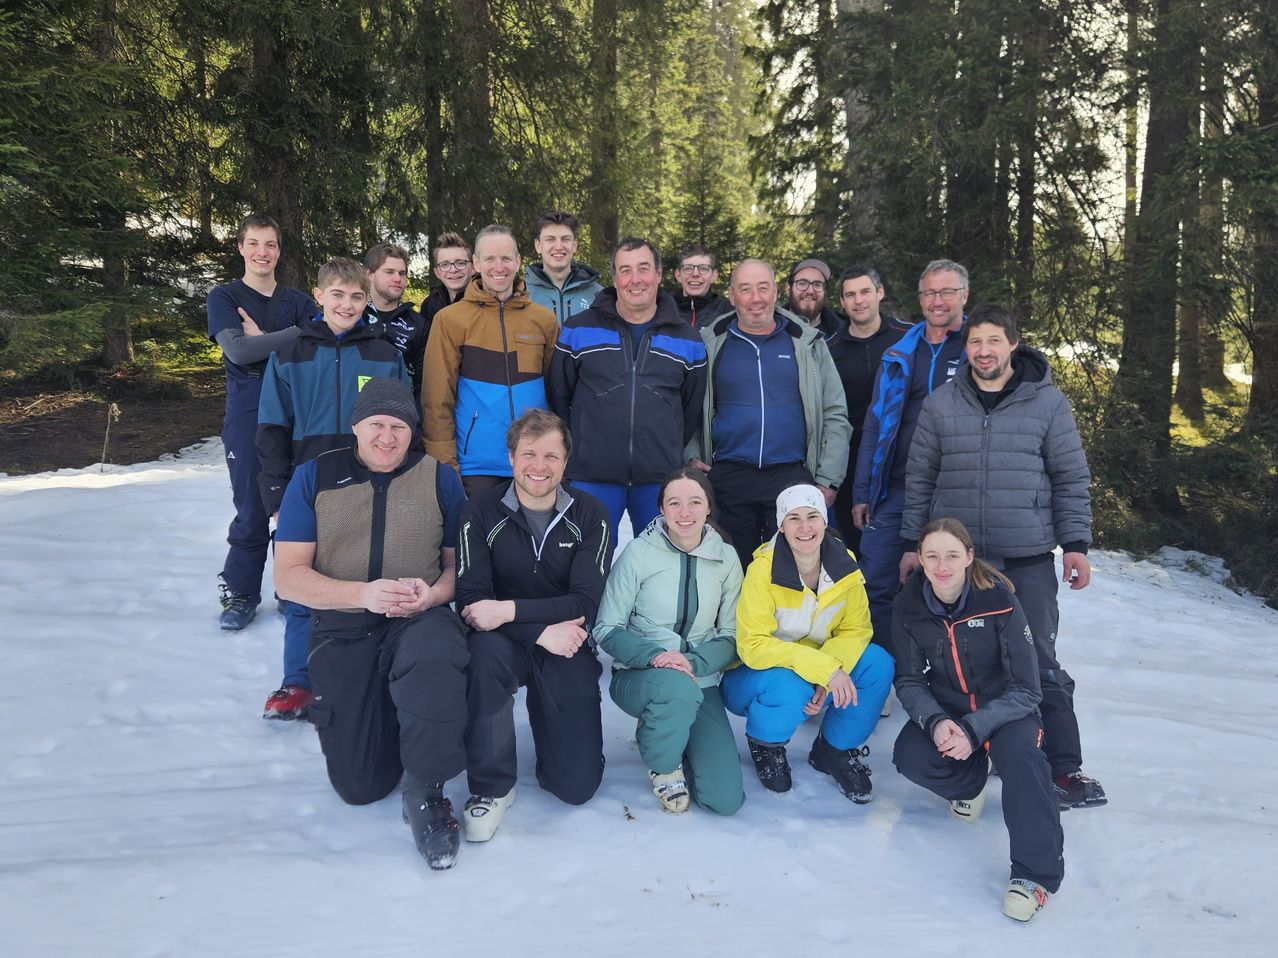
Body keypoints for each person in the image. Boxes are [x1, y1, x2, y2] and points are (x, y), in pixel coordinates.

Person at [899, 303, 1106, 810]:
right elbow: (920, 478)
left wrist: (1075, 544)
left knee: (1039, 661)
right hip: (959, 561)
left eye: (994, 340)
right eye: (975, 341)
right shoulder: (942, 404)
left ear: (1014, 343)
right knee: (962, 659)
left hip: (1025, 555)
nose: (984, 350)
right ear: (965, 347)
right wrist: (911, 545)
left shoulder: (1048, 403)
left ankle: (1064, 768)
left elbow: (1070, 476)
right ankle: (976, 751)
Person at [272, 378, 470, 871]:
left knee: (436, 655)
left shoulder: (438, 478)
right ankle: (386, 722)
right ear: (356, 426)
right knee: (359, 787)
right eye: (377, 424)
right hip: (343, 625)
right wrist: (360, 594)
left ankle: (426, 791)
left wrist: (434, 595)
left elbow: (458, 567)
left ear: (412, 432)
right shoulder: (314, 476)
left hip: (417, 617)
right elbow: (288, 577)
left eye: (399, 426)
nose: (387, 437)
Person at [256, 257, 409, 720]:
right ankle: (298, 682)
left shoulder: (384, 354)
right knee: (305, 584)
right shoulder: (291, 353)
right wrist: (276, 494)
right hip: (309, 486)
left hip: (371, 483)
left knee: (370, 578)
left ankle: (373, 676)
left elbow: (404, 425)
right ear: (319, 296)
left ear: (367, 300)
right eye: (337, 295)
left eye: (357, 296)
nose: (347, 304)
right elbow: (272, 426)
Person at [891, 517, 1064, 922]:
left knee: (1023, 759)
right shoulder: (908, 606)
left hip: (1007, 706)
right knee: (909, 755)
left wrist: (974, 730)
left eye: (952, 555)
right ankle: (969, 784)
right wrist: (935, 721)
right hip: (949, 704)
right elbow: (909, 680)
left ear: (969, 557)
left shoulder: (999, 599)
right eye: (932, 556)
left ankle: (1034, 876)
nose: (942, 566)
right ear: (920, 559)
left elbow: (1027, 689)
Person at [455, 409, 611, 841]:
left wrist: (507, 610)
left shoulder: (591, 514)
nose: (539, 466)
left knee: (576, 787)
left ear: (565, 461)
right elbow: (471, 604)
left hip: (566, 641)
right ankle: (491, 785)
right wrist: (539, 630)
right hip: (503, 642)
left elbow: (584, 603)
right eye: (529, 454)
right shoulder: (479, 511)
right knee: (482, 658)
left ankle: (565, 751)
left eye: (551, 456)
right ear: (511, 457)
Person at [721, 485, 893, 802]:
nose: (804, 527)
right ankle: (766, 742)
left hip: (815, 671)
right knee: (790, 684)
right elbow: (753, 645)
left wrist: (827, 674)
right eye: (794, 518)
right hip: (753, 676)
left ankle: (835, 748)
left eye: (812, 516)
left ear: (825, 521)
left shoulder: (844, 565)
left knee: (877, 664)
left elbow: (856, 629)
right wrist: (824, 670)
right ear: (781, 526)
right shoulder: (763, 570)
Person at [593, 467, 745, 815]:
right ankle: (663, 764)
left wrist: (692, 662)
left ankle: (672, 731)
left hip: (699, 679)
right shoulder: (638, 553)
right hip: (640, 675)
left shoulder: (726, 558)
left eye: (695, 502)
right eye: (674, 503)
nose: (684, 512)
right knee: (676, 691)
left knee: (724, 800)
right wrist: (657, 656)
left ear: (709, 507)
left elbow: (733, 634)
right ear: (661, 508)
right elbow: (606, 628)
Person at [686, 259, 851, 570]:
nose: (756, 298)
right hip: (728, 476)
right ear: (732, 296)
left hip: (792, 474)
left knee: (793, 572)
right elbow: (690, 407)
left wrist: (829, 480)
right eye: (745, 289)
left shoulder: (806, 343)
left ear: (776, 291)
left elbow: (834, 412)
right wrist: (692, 455)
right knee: (730, 571)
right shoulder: (710, 343)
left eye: (763, 288)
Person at [549, 236, 707, 545]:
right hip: (592, 475)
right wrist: (576, 451)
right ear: (614, 278)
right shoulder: (578, 329)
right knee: (587, 561)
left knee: (659, 561)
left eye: (644, 268)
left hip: (659, 478)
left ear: (659, 274)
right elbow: (559, 396)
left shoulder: (687, 339)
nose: (635, 279)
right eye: (625, 270)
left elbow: (690, 407)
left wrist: (666, 448)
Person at [852, 258, 968, 650]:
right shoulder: (900, 353)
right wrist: (863, 491)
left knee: (951, 584)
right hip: (897, 488)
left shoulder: (976, 349)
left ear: (964, 295)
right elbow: (875, 425)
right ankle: (882, 668)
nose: (937, 301)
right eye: (929, 293)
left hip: (955, 490)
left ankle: (946, 670)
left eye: (946, 292)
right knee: (875, 579)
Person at [205, 213, 314, 630]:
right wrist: (293, 335)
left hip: (296, 410)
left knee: (295, 505)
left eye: (270, 244)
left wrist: (261, 341)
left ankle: (292, 587)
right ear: (240, 247)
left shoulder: (298, 301)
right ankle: (241, 592)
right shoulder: (224, 297)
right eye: (253, 243)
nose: (262, 252)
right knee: (252, 506)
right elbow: (238, 352)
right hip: (248, 409)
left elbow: (318, 344)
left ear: (279, 251)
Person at [422, 225, 558, 497]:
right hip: (476, 467)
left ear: (518, 261)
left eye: (506, 258)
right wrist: (445, 468)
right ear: (476, 263)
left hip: (535, 464)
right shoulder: (450, 320)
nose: (499, 267)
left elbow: (556, 394)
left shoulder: (543, 320)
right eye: (489, 259)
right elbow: (436, 401)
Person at [827, 264, 909, 557]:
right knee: (856, 538)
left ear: (880, 293)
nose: (858, 300)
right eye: (850, 295)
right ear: (842, 302)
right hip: (850, 459)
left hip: (900, 454)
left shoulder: (907, 338)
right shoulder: (830, 348)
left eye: (865, 292)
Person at [363, 242, 429, 403]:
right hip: (356, 407)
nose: (397, 279)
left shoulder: (418, 324)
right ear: (369, 274)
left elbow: (424, 382)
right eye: (389, 272)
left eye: (402, 273)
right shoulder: (354, 316)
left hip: (401, 408)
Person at [523, 211, 602, 324]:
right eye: (550, 239)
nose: (558, 247)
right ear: (538, 246)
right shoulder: (522, 295)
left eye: (565, 239)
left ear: (574, 245)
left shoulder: (597, 295)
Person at [671, 244, 733, 328]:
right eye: (688, 268)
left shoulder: (729, 313)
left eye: (703, 268)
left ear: (714, 275)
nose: (695, 274)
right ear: (678, 275)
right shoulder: (662, 309)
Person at [421, 232, 474, 327]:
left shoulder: (488, 301)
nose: (453, 270)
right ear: (437, 273)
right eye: (445, 265)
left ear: (474, 267)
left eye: (460, 263)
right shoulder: (430, 305)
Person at [785, 258, 841, 345]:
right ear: (788, 289)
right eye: (802, 283)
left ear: (825, 292)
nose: (810, 291)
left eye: (817, 284)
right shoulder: (771, 329)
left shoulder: (842, 333)